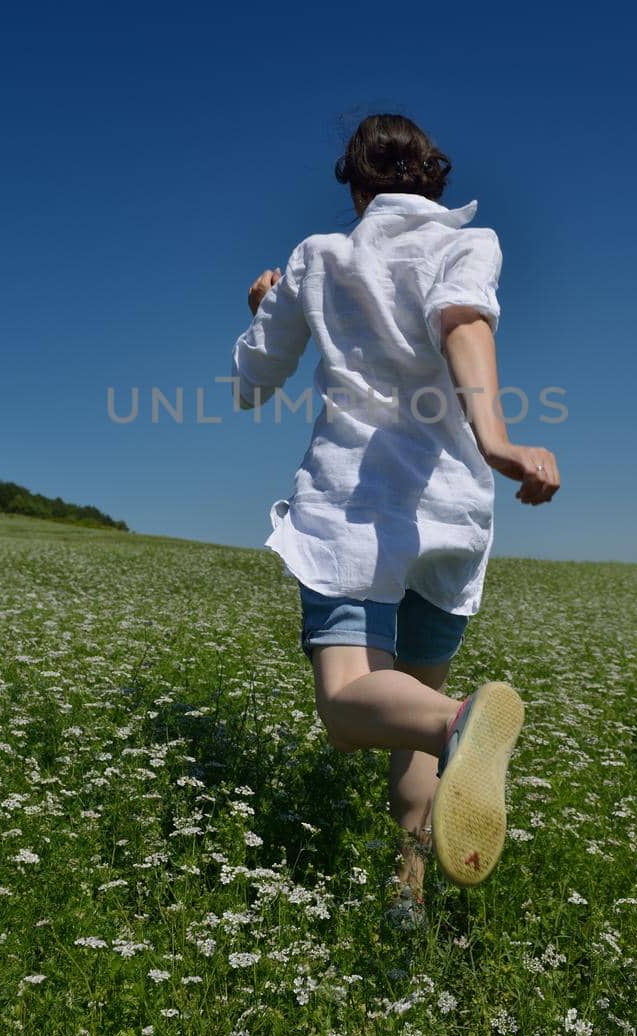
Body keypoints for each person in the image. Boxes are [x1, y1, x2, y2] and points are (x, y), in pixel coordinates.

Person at [231, 113, 559, 929]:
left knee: (351, 711)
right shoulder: (469, 242)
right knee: (403, 716)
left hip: (353, 517)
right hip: (450, 517)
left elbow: (252, 379)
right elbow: (463, 325)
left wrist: (264, 303)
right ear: (434, 181)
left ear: (355, 185)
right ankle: (406, 894)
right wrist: (497, 441)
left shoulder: (319, 255)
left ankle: (464, 728)